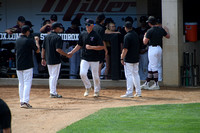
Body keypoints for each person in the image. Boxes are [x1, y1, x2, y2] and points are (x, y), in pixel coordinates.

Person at [68, 19, 104, 97]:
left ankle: (96, 91)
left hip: (94, 58)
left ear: (92, 25)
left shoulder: (96, 34)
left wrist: (91, 47)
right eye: (86, 25)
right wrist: (72, 52)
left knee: (95, 76)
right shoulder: (83, 34)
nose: (87, 26)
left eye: (88, 25)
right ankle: (88, 87)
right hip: (85, 57)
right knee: (82, 73)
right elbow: (79, 45)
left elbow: (101, 47)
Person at [141, 16, 170, 90]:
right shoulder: (160, 29)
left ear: (150, 23)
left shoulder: (150, 30)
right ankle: (147, 83)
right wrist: (166, 31)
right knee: (150, 66)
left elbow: (145, 42)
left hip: (152, 49)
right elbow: (168, 36)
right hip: (159, 48)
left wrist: (144, 36)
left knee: (153, 67)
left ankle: (156, 84)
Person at [41, 22, 69, 98]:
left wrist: (43, 58)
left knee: (51, 76)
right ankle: (53, 92)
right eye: (59, 28)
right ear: (56, 28)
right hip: (55, 59)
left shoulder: (47, 36)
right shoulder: (58, 37)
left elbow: (43, 49)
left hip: (48, 58)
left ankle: (52, 92)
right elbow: (58, 50)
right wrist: (66, 54)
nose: (60, 29)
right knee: (54, 76)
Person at [15, 25, 40, 108]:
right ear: (27, 32)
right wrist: (36, 41)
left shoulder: (17, 40)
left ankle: (22, 101)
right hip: (27, 65)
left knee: (21, 83)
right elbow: (37, 50)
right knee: (27, 83)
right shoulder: (29, 40)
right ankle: (25, 102)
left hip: (18, 64)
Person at [120, 21, 141, 98]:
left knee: (129, 75)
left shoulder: (127, 36)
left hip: (129, 59)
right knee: (135, 74)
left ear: (126, 28)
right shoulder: (135, 34)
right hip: (136, 58)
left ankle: (129, 92)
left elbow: (125, 49)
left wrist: (122, 58)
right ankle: (138, 92)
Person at [92, 13, 108, 77]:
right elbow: (102, 40)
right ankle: (97, 83)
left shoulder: (93, 26)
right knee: (99, 65)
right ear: (103, 20)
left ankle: (95, 82)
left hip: (92, 48)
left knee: (94, 66)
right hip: (99, 48)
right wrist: (106, 50)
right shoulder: (101, 28)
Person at [136, 16, 149, 80]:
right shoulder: (137, 30)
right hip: (138, 51)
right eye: (142, 22)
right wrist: (138, 50)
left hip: (145, 50)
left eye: (144, 22)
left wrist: (146, 49)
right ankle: (140, 79)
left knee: (145, 66)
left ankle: (145, 79)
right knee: (139, 66)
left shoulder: (148, 30)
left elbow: (149, 42)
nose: (143, 23)